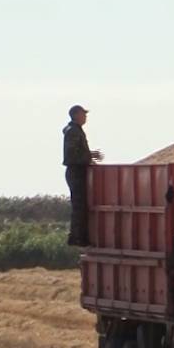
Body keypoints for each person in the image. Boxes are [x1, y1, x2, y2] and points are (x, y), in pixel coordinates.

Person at [63, 105, 103, 246]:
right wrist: (88, 158)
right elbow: (72, 155)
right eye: (83, 114)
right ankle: (78, 238)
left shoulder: (75, 130)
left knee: (80, 205)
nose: (85, 117)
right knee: (80, 206)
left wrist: (89, 155)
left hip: (76, 171)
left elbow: (77, 152)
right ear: (75, 115)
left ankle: (77, 236)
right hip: (76, 171)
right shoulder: (73, 131)